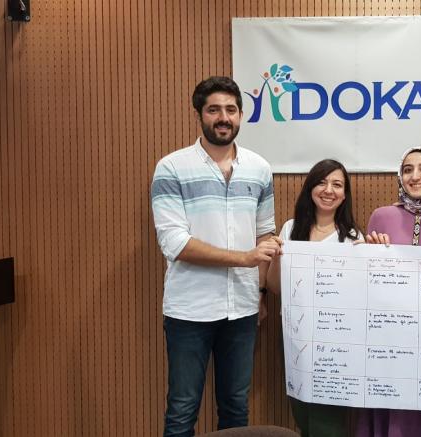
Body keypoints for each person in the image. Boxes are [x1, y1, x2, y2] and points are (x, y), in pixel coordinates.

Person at [150, 76, 283, 437]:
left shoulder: (259, 168)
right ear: (199, 115)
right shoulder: (172, 168)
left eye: (231, 109)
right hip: (189, 310)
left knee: (236, 407)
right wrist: (244, 258)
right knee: (182, 409)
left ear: (240, 115)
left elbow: (264, 235)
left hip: (243, 309)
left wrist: (260, 293)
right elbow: (175, 244)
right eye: (214, 110)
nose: (223, 117)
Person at [356, 147, 421, 437]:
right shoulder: (382, 216)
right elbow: (366, 281)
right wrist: (369, 253)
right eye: (407, 169)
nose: (415, 176)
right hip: (388, 337)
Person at [265, 159, 363, 437]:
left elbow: (360, 298)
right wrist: (277, 258)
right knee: (303, 415)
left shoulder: (353, 238)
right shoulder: (290, 229)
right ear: (310, 188)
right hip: (295, 337)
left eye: (337, 184)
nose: (328, 190)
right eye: (321, 182)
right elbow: (275, 288)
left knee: (327, 422)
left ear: (344, 195)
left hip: (335, 342)